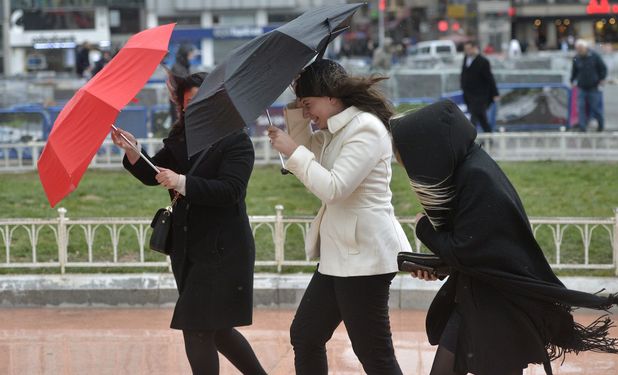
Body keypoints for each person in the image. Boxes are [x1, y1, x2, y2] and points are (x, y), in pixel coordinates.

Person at [389, 100, 618, 375]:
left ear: (430, 151)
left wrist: (424, 228)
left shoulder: (476, 178)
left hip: (498, 311)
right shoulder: (469, 169)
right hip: (475, 300)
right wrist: (439, 267)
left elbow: (466, 250)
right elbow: (480, 250)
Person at [111, 72, 266, 375]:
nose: (194, 107)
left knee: (195, 327)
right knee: (217, 330)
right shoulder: (182, 139)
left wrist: (182, 182)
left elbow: (230, 191)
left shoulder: (236, 141)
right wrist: (132, 150)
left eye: (201, 100)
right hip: (188, 249)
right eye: (188, 103)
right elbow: (150, 173)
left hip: (223, 250)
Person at [268, 59, 412, 374]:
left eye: (309, 105)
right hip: (340, 256)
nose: (307, 114)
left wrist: (292, 152)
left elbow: (334, 188)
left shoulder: (366, 128)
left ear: (332, 97)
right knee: (305, 335)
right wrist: (295, 106)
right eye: (303, 106)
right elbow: (307, 148)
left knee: (374, 355)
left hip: (365, 257)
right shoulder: (337, 128)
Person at [460, 41, 499, 133]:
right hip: (469, 95)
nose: (467, 51)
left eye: (469, 49)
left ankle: (469, 139)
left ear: (474, 48)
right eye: (466, 49)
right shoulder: (466, 59)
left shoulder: (483, 61)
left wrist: (495, 93)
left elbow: (489, 78)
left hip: (480, 95)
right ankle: (489, 137)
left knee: (474, 118)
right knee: (482, 119)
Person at [570, 39, 607, 132]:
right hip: (581, 86)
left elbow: (603, 68)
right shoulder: (576, 58)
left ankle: (601, 125)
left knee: (595, 107)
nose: (579, 50)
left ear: (585, 48)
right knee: (581, 107)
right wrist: (571, 80)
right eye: (577, 49)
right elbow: (574, 71)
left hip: (593, 86)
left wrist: (602, 78)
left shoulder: (595, 56)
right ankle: (582, 127)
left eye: (580, 48)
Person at [169, 44, 196, 124]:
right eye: (191, 52)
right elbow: (183, 84)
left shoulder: (184, 66)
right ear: (186, 53)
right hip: (179, 103)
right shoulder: (178, 67)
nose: (193, 55)